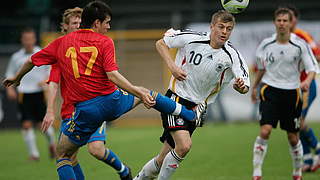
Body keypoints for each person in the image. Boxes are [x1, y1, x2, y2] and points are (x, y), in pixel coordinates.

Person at [2, 1, 206, 180]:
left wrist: (16, 78)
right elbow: (112, 76)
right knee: (149, 94)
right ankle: (190, 114)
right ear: (96, 23)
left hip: (87, 111)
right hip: (113, 101)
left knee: (63, 154)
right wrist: (137, 91)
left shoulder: (61, 43)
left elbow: (31, 61)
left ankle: (186, 113)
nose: (109, 27)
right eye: (107, 22)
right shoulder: (104, 42)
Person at [134, 10, 250, 180]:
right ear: (212, 27)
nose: (224, 32)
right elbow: (161, 43)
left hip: (196, 108)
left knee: (162, 159)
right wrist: (172, 67)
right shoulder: (192, 37)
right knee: (184, 146)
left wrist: (241, 87)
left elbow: (245, 84)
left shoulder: (232, 56)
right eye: (221, 27)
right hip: (175, 98)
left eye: (229, 29)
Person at [45, 7, 133, 180]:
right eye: (74, 23)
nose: (78, 26)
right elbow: (53, 83)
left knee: (96, 149)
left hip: (93, 104)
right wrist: (49, 110)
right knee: (69, 157)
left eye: (80, 22)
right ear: (65, 26)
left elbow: (110, 73)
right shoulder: (61, 49)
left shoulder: (94, 44)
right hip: (70, 111)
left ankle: (123, 170)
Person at [250, 8, 319, 180]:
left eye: (285, 21)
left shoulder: (300, 44)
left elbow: (312, 69)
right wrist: (255, 87)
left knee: (293, 137)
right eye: (279, 20)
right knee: (265, 131)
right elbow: (261, 68)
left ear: (291, 23)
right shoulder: (265, 44)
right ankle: (257, 172)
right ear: (275, 22)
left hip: (292, 93)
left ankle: (297, 172)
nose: (282, 23)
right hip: (270, 91)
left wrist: (307, 82)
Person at [4, 27, 56, 161]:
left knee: (42, 124)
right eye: (26, 39)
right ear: (22, 40)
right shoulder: (16, 57)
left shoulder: (41, 53)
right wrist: (10, 89)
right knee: (26, 124)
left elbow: (50, 71)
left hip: (39, 94)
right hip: (23, 94)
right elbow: (9, 74)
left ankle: (52, 145)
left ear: (34, 39)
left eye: (30, 39)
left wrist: (45, 80)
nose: (28, 41)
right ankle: (34, 154)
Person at [286, 4, 320, 172]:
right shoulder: (279, 39)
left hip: (306, 86)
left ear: (295, 20)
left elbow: (318, 55)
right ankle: (307, 159)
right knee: (296, 124)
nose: (286, 22)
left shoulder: (302, 36)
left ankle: (317, 149)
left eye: (289, 19)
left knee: (297, 122)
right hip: (290, 88)